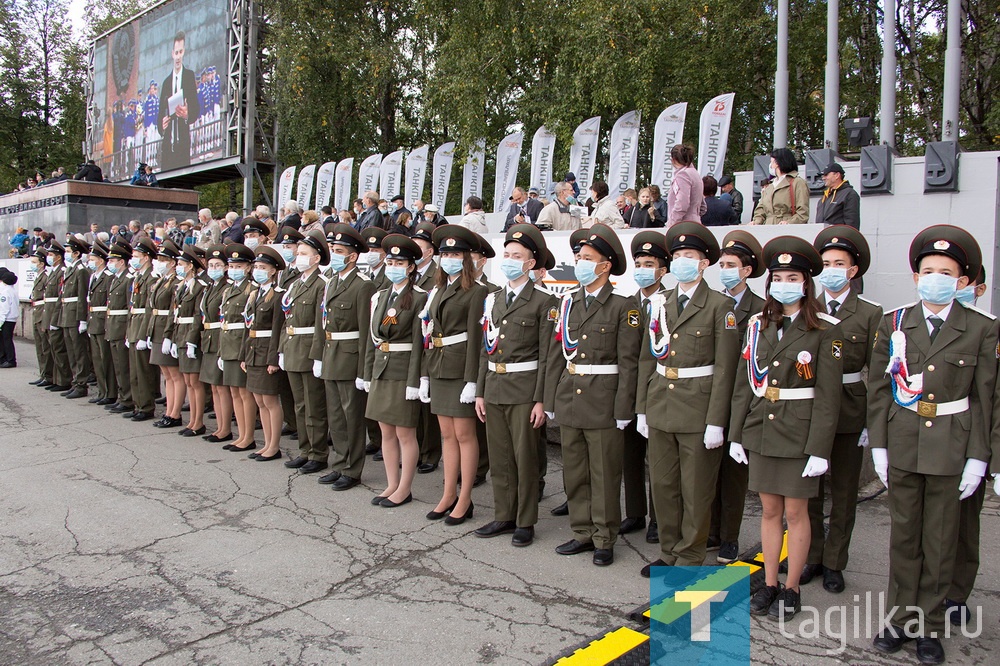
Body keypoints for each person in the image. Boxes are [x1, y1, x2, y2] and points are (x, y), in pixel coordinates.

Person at [868, 226, 997, 664]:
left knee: (941, 541)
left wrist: (979, 458)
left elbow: (984, 399)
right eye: (927, 270)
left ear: (962, 281)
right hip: (903, 441)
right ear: (915, 277)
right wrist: (880, 447)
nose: (934, 278)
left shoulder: (981, 329)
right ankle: (900, 619)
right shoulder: (894, 323)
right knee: (904, 537)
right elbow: (879, 390)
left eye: (946, 272)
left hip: (952, 446)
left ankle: (931, 625)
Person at [729, 236, 842, 620]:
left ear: (806, 282)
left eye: (793, 276)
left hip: (799, 433)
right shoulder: (759, 325)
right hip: (762, 429)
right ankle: (771, 583)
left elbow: (828, 397)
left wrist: (820, 449)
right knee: (768, 511)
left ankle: (792, 588)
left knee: (797, 514)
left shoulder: (825, 329)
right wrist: (735, 434)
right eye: (778, 276)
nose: (784, 283)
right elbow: (746, 382)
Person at [635, 223, 740, 577]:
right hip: (661, 402)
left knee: (695, 490)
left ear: (704, 263)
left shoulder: (720, 306)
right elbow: (648, 358)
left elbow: (726, 369)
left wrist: (716, 421)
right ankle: (668, 551)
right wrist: (641, 408)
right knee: (663, 485)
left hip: (698, 408)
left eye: (689, 256)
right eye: (677, 256)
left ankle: (691, 555)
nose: (681, 261)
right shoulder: (660, 302)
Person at [550, 224, 642, 566]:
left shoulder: (624, 306)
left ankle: (604, 538)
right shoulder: (569, 302)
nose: (580, 262)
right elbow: (559, 355)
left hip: (604, 401)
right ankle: (582, 532)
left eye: (588, 258)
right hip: (571, 398)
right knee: (574, 471)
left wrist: (624, 408)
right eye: (578, 257)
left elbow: (629, 363)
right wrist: (551, 400)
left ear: (605, 266)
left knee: (604, 474)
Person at [797, 226, 882, 593]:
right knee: (809, 489)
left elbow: (878, 374)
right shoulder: (805, 309)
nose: (831, 269)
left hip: (849, 407)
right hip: (809, 406)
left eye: (839, 263)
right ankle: (811, 555)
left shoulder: (869, 313)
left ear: (852, 271)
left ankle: (834, 562)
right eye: (826, 263)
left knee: (844, 491)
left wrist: (872, 423)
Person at [472, 224, 556, 546]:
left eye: (516, 256)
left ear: (531, 263)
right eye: (506, 254)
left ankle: (525, 521)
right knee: (500, 456)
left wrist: (541, 401)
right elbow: (486, 349)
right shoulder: (492, 300)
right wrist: (480, 390)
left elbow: (548, 357)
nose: (508, 259)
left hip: (524, 390)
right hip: (494, 386)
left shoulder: (543, 302)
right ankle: (503, 514)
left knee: (525, 458)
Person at [421, 225, 489, 525]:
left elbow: (477, 339)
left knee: (464, 435)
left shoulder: (477, 290)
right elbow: (429, 332)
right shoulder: (438, 289)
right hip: (438, 366)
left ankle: (464, 499)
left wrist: (472, 380)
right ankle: (448, 493)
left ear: (466, 259)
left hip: (461, 370)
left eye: (455, 254)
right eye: (445, 253)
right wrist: (424, 374)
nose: (448, 258)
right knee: (447, 435)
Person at [708, 230, 767, 563]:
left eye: (731, 264)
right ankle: (712, 531)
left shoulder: (760, 309)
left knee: (733, 474)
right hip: (712, 396)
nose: (725, 269)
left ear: (747, 271)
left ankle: (729, 536)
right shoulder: (716, 302)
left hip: (742, 400)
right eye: (722, 263)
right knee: (709, 470)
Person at [365, 234, 429, 507]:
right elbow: (374, 339)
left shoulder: (420, 297)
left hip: (404, 372)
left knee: (405, 433)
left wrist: (415, 380)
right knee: (385, 432)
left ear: (411, 267)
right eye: (390, 261)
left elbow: (419, 342)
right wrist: (368, 373)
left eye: (400, 262)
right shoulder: (380, 295)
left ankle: (405, 487)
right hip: (382, 369)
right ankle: (391, 483)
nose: (393, 266)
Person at [310, 224, 375, 489]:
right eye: (332, 250)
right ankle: (339, 463)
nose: (334, 255)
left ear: (353, 256)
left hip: (350, 358)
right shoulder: (331, 281)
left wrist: (363, 370)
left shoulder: (363, 286)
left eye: (339, 251)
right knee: (336, 416)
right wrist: (317, 355)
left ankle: (352, 469)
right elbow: (321, 322)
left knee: (352, 417)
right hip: (330, 354)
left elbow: (365, 333)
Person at [619, 231, 670, 541]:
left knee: (660, 462)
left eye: (649, 263)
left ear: (662, 270)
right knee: (630, 456)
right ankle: (635, 513)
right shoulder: (627, 304)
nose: (641, 269)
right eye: (638, 263)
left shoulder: (671, 302)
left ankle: (658, 519)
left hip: (660, 392)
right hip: (629, 391)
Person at [280, 229, 332, 473]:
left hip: (309, 350)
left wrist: (317, 355)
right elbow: (287, 319)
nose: (298, 256)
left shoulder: (322, 285)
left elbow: (321, 325)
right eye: (298, 252)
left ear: (316, 258)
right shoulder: (295, 284)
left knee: (314, 406)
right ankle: (305, 449)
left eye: (303, 253)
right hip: (292, 348)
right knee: (300, 405)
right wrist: (281, 349)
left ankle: (318, 453)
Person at [241, 246, 287, 461]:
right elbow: (248, 328)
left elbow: (278, 329)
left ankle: (274, 446)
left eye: (263, 267)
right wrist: (244, 355)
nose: (258, 270)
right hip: (253, 352)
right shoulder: (254, 294)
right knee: (259, 400)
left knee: (270, 401)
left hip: (267, 352)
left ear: (272, 271)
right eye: (256, 266)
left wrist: (273, 358)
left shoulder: (277, 295)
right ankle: (266, 443)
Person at [216, 244, 258, 450]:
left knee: (244, 394)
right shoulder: (229, 288)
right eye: (231, 265)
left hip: (241, 344)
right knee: (234, 392)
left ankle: (248, 436)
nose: (234, 269)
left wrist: (244, 351)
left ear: (248, 268)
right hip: (227, 344)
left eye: (239, 265)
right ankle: (241, 434)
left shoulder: (251, 290)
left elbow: (249, 324)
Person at [199, 245, 236, 443]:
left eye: (218, 265)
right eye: (210, 264)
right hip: (209, 338)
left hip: (220, 337)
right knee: (214, 387)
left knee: (222, 387)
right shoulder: (210, 286)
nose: (213, 268)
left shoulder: (226, 286)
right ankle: (220, 427)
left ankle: (225, 429)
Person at [146, 241, 184, 428]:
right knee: (167, 375)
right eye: (158, 259)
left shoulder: (176, 282)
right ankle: (169, 410)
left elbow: (172, 311)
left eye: (163, 260)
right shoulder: (162, 280)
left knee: (175, 375)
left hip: (167, 329)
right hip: (157, 328)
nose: (158, 262)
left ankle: (175, 413)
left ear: (171, 262)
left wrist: (169, 336)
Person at [173, 246, 208, 437]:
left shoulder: (199, 287)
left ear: (191, 266)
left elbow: (197, 316)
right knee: (187, 380)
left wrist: (192, 340)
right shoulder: (183, 286)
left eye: (182, 264)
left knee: (195, 381)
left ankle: (198, 422)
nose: (179, 267)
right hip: (180, 333)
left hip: (191, 335)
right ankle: (192, 420)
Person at [125, 238, 159, 421]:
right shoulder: (138, 276)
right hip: (134, 325)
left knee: (143, 370)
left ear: (146, 257)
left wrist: (145, 334)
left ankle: (146, 406)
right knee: (134, 370)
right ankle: (137, 403)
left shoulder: (151, 278)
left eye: (137, 256)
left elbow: (148, 308)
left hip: (142, 326)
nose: (133, 259)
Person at [158, 31, 201, 171]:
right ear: (172, 53)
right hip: (168, 145)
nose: (178, 56)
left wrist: (187, 114)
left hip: (182, 142)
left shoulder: (189, 76)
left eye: (180, 52)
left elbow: (195, 108)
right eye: (176, 52)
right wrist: (162, 126)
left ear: (184, 52)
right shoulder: (166, 83)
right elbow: (160, 115)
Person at [59, 237, 94, 399]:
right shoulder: (70, 269)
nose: (65, 255)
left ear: (77, 253)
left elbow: (82, 296)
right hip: (67, 314)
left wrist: (82, 319)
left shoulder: (81, 270)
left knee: (79, 351)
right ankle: (75, 381)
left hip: (75, 315)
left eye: (68, 252)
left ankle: (81, 383)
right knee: (71, 351)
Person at [102, 242, 134, 414]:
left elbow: (130, 307)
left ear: (121, 262)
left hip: (121, 326)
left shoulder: (128, 279)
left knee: (124, 365)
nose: (110, 263)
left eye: (113, 260)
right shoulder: (116, 278)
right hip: (113, 325)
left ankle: (127, 398)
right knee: (117, 364)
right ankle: (122, 396)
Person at [85, 241, 116, 404]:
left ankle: (110, 392)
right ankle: (102, 391)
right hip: (93, 320)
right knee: (97, 359)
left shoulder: (108, 277)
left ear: (101, 260)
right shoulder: (93, 277)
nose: (90, 261)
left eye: (93, 258)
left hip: (103, 321)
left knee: (106, 359)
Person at [750, 148, 810, 225]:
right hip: (768, 229)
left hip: (787, 230)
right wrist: (756, 221)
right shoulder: (770, 185)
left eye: (771, 162)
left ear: (778, 163)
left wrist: (790, 222)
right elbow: (761, 209)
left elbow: (803, 212)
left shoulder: (798, 183)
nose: (770, 166)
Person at [27, 249, 53, 382]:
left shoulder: (46, 276)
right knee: (39, 346)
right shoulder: (38, 276)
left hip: (42, 312)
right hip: (36, 311)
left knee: (45, 346)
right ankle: (43, 373)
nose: (32, 264)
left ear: (42, 264)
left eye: (34, 262)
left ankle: (48, 375)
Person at [666, 144, 705, 226]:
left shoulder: (682, 175)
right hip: (695, 223)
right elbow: (703, 207)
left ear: (673, 160)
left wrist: (671, 223)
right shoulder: (695, 174)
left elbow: (682, 204)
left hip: (682, 227)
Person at [815, 163, 860, 229]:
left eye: (826, 175)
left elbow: (852, 225)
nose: (823, 178)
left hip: (839, 238)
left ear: (837, 175)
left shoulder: (849, 194)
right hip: (823, 238)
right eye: (822, 176)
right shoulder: (823, 198)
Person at [0, 268, 17, 367]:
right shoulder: (12, 290)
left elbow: (4, 308)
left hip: (7, 319)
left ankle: (10, 360)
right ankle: (8, 358)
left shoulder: (5, 292)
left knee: (6, 340)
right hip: (11, 318)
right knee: (7, 339)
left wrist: (0, 321)